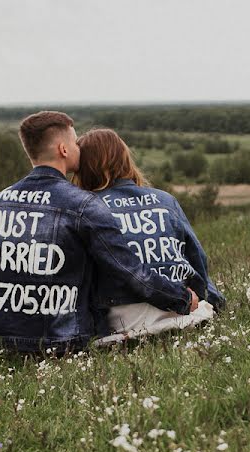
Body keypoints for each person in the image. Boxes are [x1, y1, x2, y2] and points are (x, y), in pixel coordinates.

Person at [0, 112, 198, 353]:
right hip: (61, 340)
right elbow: (130, 271)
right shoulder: (83, 205)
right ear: (64, 150)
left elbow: (5, 273)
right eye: (76, 143)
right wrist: (180, 298)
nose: (80, 148)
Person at [72, 128, 225, 344]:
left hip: (122, 319)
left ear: (84, 169)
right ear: (124, 159)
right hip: (181, 308)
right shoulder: (165, 200)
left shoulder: (85, 209)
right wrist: (215, 302)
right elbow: (196, 259)